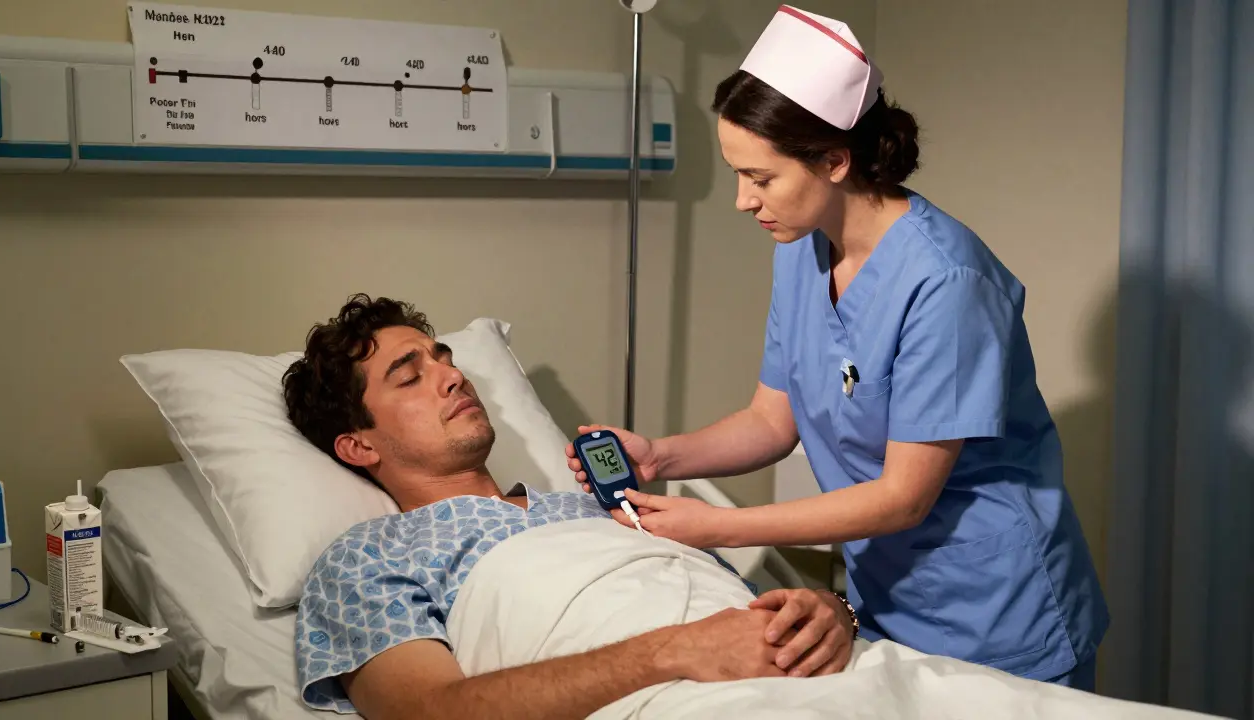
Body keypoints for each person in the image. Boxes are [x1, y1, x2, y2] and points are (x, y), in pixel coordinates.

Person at [566, 6, 1109, 691]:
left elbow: (902, 498)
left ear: (834, 159)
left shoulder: (945, 281)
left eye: (760, 178)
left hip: (999, 611)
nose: (742, 200)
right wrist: (661, 455)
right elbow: (771, 421)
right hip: (890, 599)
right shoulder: (801, 248)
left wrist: (716, 528)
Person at [281, 294, 857, 719]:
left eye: (444, 359)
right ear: (358, 445)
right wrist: (678, 651)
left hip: (827, 676)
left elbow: (741, 609)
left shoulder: (599, 508)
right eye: (411, 377)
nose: (453, 377)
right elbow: (434, 711)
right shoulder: (363, 560)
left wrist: (831, 613)